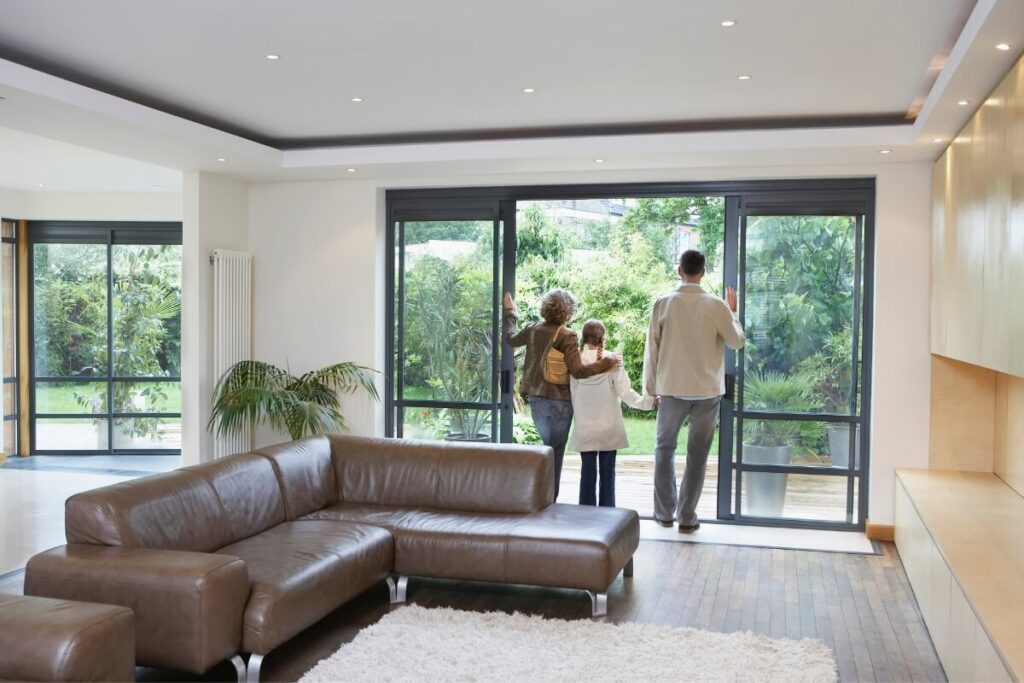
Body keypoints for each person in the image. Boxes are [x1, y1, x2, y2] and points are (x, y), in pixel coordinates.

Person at [643, 249, 745, 532]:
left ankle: (664, 513)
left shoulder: (663, 303)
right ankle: (686, 517)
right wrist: (732, 313)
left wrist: (651, 389)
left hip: (671, 389)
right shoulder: (716, 305)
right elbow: (736, 342)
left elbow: (652, 351)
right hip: (706, 392)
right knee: (697, 455)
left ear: (679, 271)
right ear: (703, 272)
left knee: (664, 449)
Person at [504, 289, 619, 498]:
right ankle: (550, 499)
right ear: (568, 311)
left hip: (536, 400)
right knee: (555, 452)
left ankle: (541, 496)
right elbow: (579, 371)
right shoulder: (567, 335)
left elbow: (510, 339)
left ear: (545, 307)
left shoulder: (531, 329)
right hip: (560, 402)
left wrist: (510, 312)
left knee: (547, 450)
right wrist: (606, 363)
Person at [568, 319, 655, 507]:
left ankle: (585, 514)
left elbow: (573, 396)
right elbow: (626, 394)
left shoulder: (575, 363)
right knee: (608, 474)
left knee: (587, 474)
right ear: (602, 338)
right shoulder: (613, 360)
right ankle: (607, 516)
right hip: (609, 427)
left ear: (583, 337)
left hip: (585, 427)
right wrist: (648, 403)